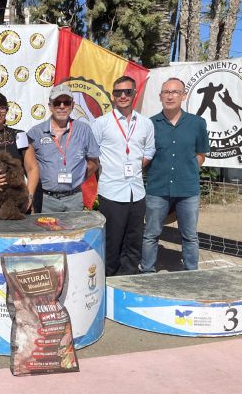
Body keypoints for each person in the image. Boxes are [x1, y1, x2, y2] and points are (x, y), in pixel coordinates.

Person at [141, 78, 210, 272]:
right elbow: (145, 155)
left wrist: (185, 170)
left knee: (189, 236)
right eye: (166, 92)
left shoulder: (197, 123)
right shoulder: (150, 124)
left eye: (175, 92)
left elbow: (201, 154)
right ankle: (146, 272)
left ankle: (190, 274)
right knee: (151, 234)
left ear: (183, 95)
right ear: (160, 96)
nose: (170, 96)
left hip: (188, 189)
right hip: (157, 188)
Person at [92, 76, 155, 276]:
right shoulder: (101, 123)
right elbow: (93, 156)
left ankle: (128, 280)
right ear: (113, 96)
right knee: (112, 241)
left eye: (127, 91)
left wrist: (134, 167)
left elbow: (149, 152)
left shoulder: (145, 123)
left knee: (134, 241)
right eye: (118, 92)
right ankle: (109, 280)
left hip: (136, 192)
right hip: (111, 191)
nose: (123, 96)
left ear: (134, 94)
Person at [26, 84, 99, 213]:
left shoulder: (84, 130)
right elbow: (28, 167)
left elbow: (93, 163)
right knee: (46, 233)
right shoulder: (35, 133)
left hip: (74, 199)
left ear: (72, 105)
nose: (61, 106)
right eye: (57, 102)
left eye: (66, 102)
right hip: (45, 200)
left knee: (73, 233)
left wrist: (77, 179)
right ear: (50, 106)